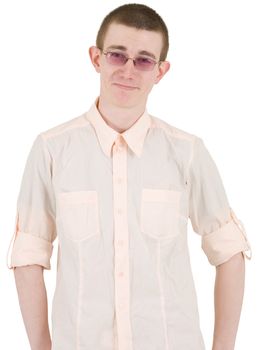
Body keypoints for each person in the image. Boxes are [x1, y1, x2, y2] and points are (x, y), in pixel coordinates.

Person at [6, 3, 252, 350]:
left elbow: (230, 252)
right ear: (96, 58)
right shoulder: (52, 150)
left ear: (160, 71)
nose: (129, 70)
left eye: (144, 60)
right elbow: (29, 254)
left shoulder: (187, 152)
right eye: (117, 55)